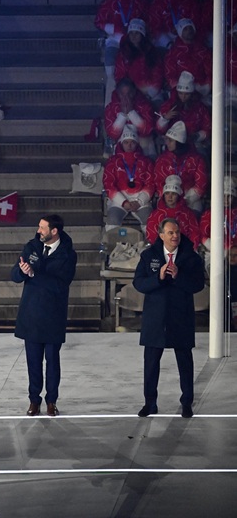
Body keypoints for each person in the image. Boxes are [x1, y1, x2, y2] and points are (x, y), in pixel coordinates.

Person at [132, 218, 205, 418]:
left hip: (181, 316)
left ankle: (187, 402)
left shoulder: (191, 257)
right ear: (161, 235)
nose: (175, 236)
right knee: (151, 363)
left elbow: (198, 284)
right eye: (171, 233)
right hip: (155, 318)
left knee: (185, 362)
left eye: (177, 232)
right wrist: (159, 278)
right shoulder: (148, 256)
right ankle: (150, 403)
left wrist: (179, 276)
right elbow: (139, 283)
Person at [11, 214, 78, 417]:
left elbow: (60, 284)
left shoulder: (68, 254)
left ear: (54, 231)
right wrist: (23, 271)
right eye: (39, 227)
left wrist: (34, 274)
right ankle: (34, 400)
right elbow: (14, 275)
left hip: (53, 315)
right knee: (33, 362)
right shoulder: (31, 247)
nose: (38, 230)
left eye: (42, 227)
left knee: (52, 361)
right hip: (31, 314)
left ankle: (51, 401)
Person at [103, 125, 154, 228]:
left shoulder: (146, 161)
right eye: (126, 142)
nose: (129, 145)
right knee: (112, 219)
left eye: (132, 142)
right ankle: (115, 239)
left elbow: (150, 183)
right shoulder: (113, 161)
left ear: (137, 143)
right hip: (120, 198)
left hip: (140, 198)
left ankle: (146, 239)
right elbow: (108, 184)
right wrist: (123, 202)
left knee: (149, 219)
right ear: (121, 143)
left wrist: (139, 202)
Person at [146, 175, 200, 247]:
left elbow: (194, 234)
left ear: (178, 196)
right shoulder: (155, 215)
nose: (170, 197)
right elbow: (152, 236)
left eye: (173, 194)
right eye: (167, 193)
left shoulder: (188, 214)